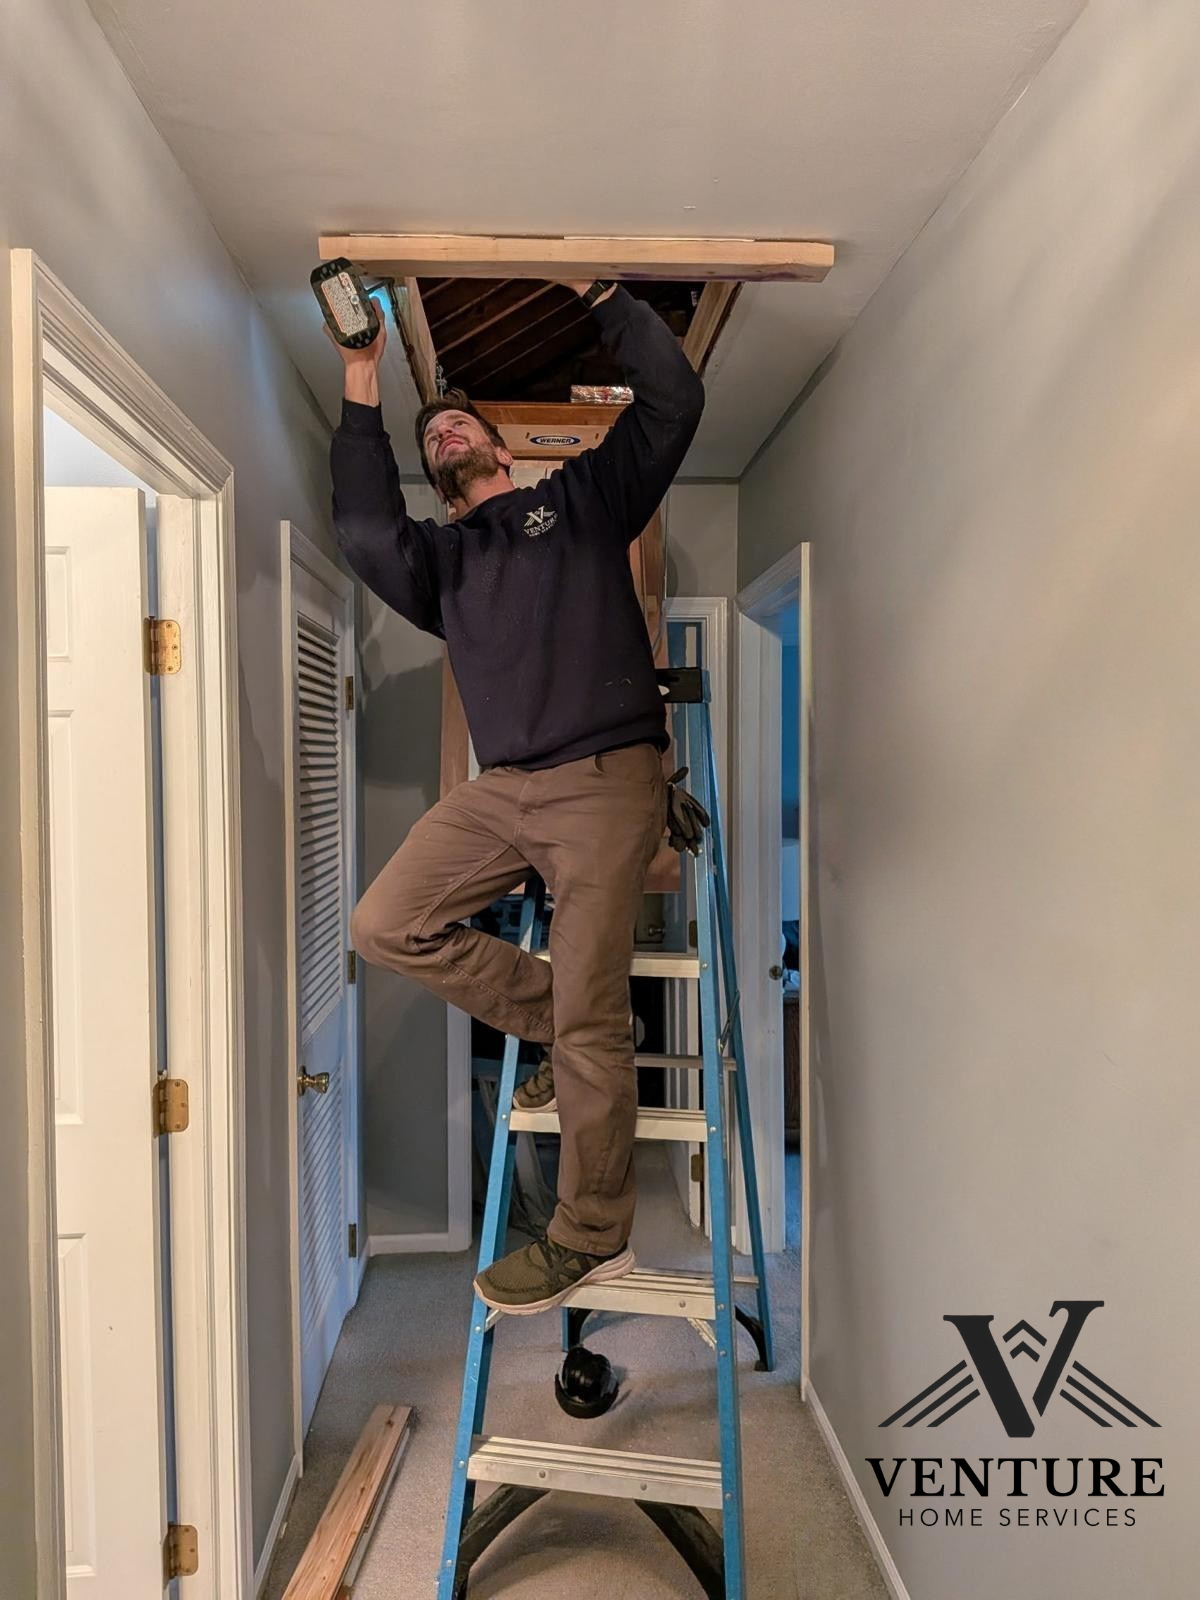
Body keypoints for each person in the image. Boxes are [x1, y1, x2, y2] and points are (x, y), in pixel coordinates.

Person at [328, 278, 704, 1314]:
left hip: (604, 780)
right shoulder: (440, 561)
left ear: (499, 449)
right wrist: (364, 378)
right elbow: (364, 527)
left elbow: (673, 402)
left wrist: (602, 294)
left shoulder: (581, 499)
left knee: (595, 1019)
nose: (444, 423)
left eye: (460, 416)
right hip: (503, 788)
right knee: (385, 922)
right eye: (430, 428)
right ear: (438, 473)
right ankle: (556, 1020)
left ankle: (594, 1232)